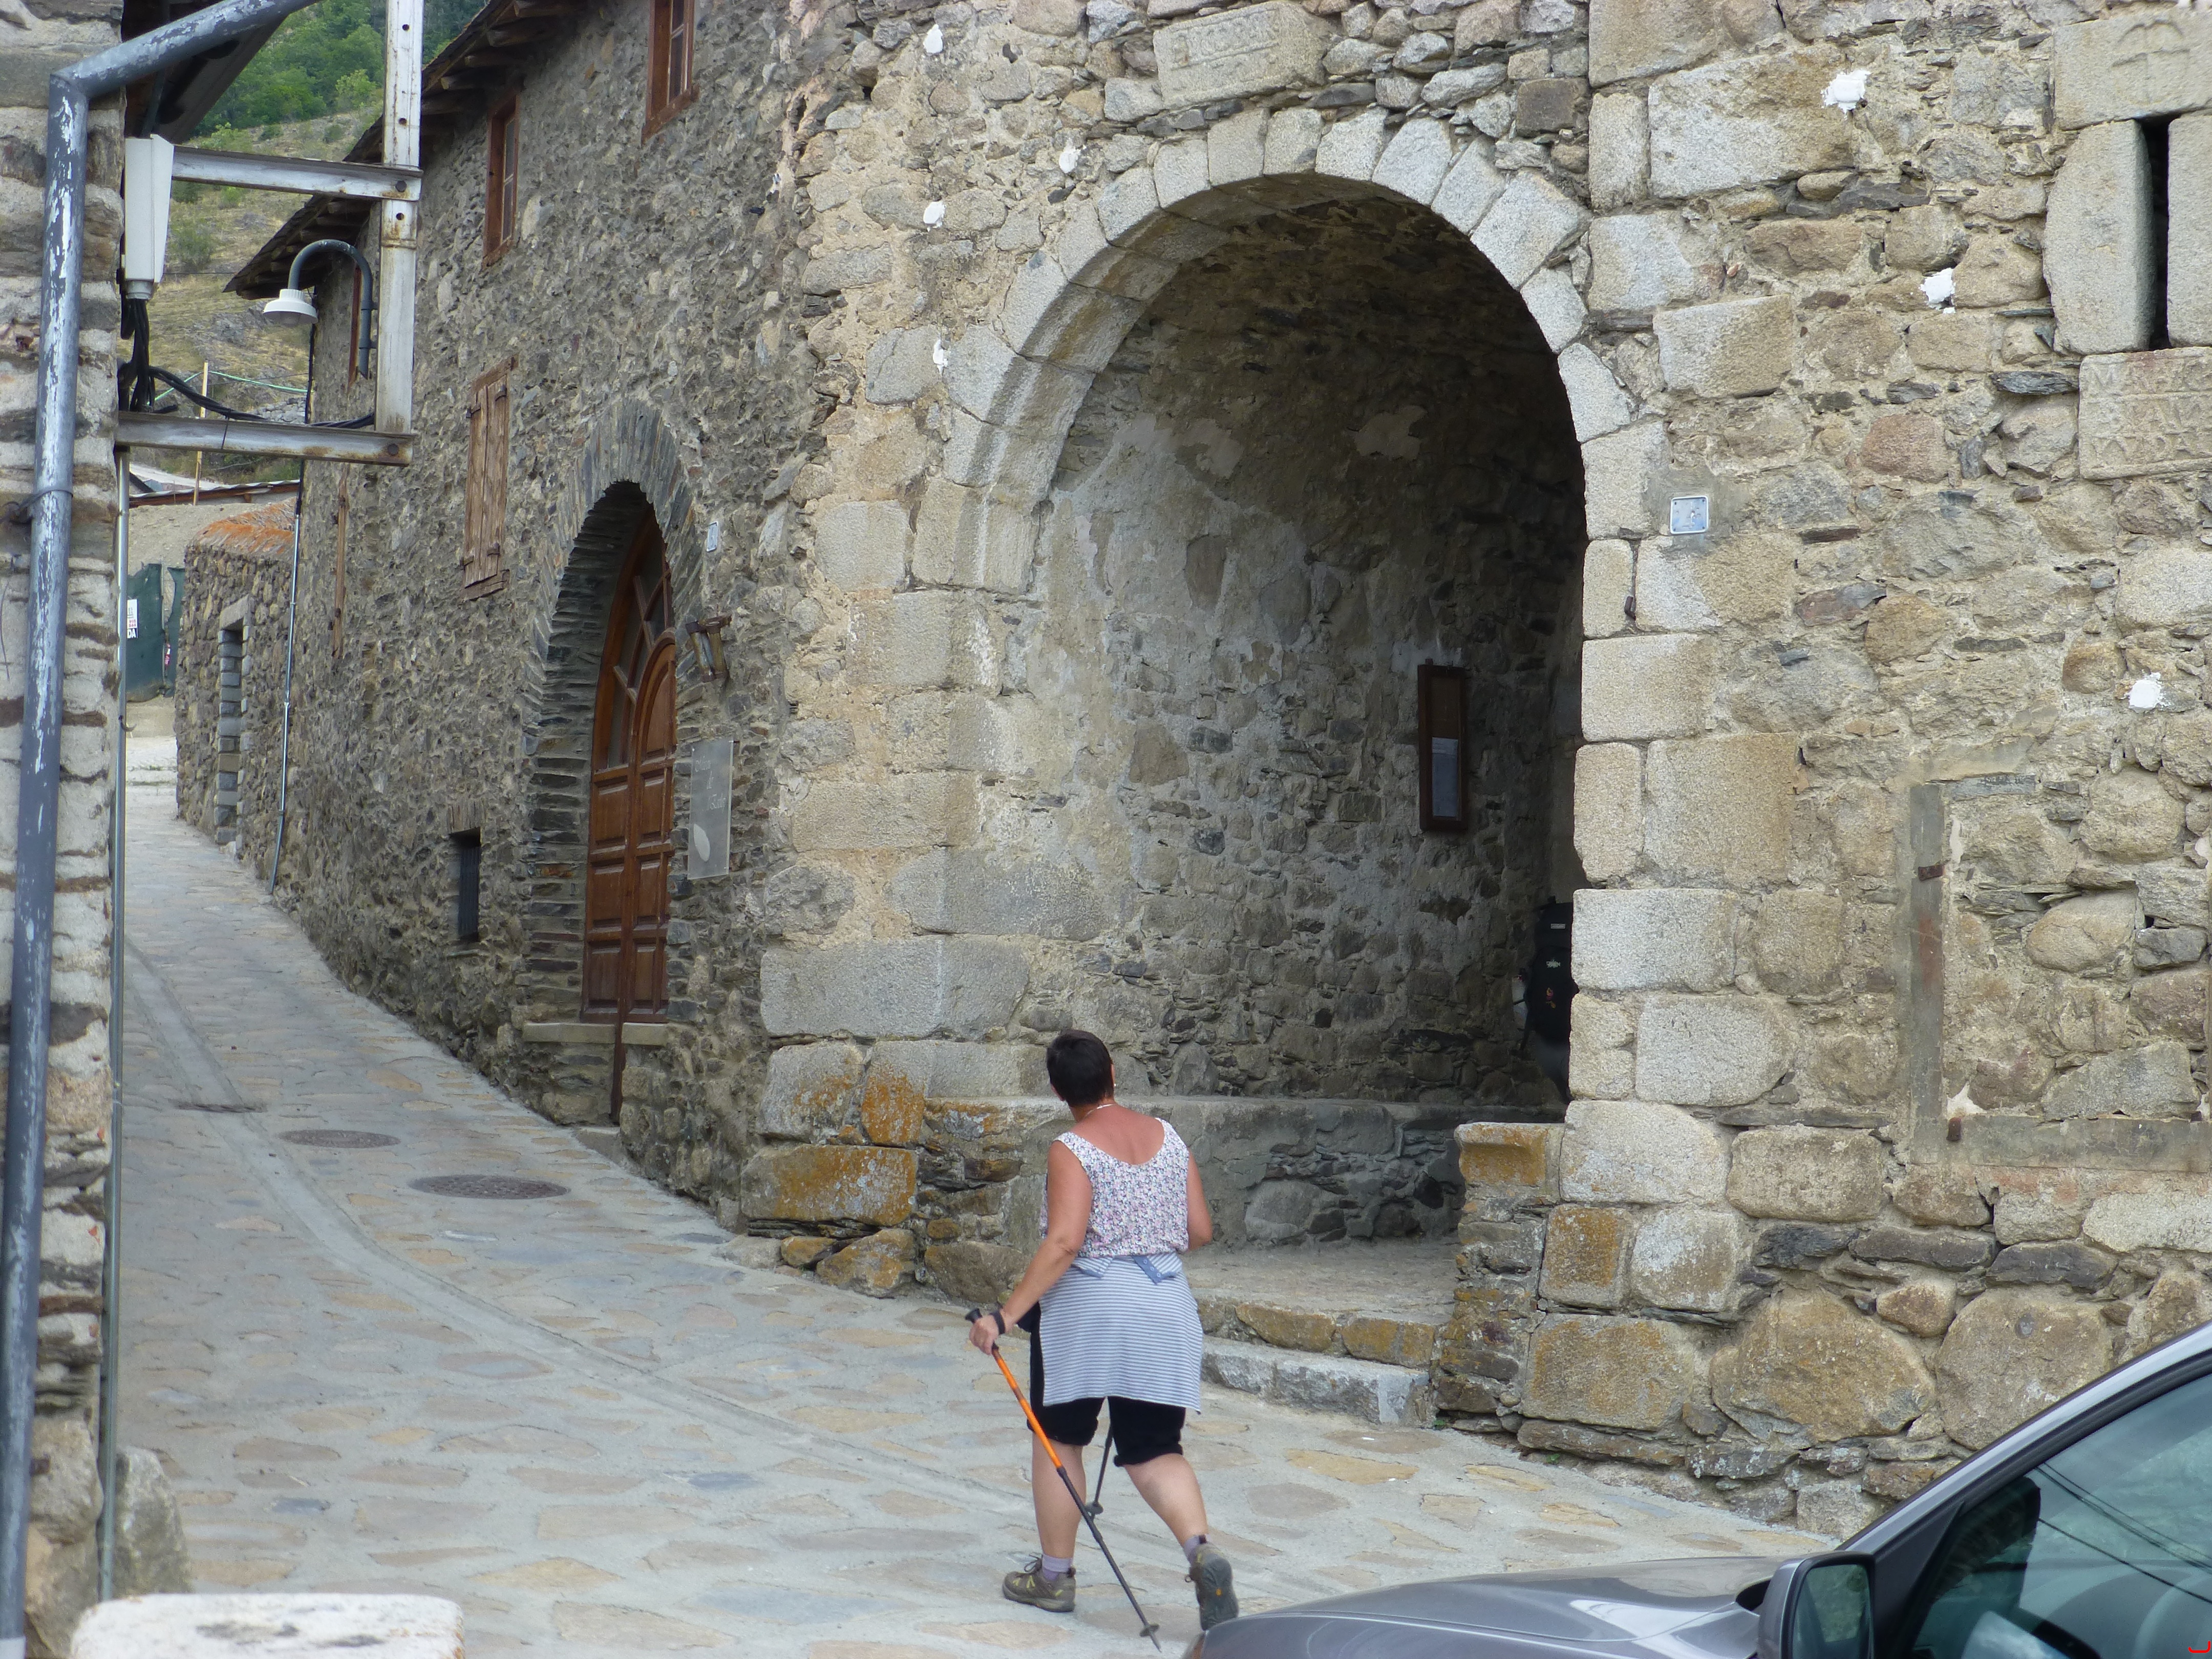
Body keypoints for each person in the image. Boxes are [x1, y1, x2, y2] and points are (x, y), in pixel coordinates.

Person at [966, 1030, 1237, 1632]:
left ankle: (1054, 1577)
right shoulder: (1168, 1136)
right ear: (1113, 1072)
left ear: (1058, 1090)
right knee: (1156, 1449)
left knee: (1060, 1438)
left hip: (1089, 1312)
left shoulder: (1071, 1148)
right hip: (1166, 1306)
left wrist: (1005, 1316)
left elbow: (1065, 1242)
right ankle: (1201, 1553)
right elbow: (1199, 1230)